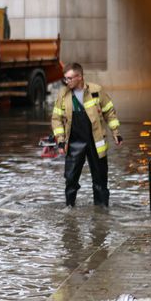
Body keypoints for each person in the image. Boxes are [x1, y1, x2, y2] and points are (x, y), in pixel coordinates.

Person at [50, 63, 122, 207]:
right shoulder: (63, 95)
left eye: (69, 78)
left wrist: (116, 133)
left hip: (96, 141)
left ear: (80, 77)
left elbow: (109, 112)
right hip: (74, 142)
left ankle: (101, 212)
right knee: (70, 179)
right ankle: (70, 209)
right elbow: (56, 119)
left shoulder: (96, 91)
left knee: (100, 179)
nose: (67, 82)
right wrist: (61, 141)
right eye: (65, 79)